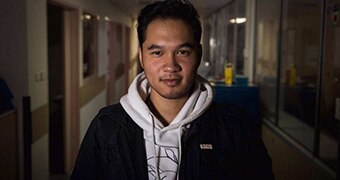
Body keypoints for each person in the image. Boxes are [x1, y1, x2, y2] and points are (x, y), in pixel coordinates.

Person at [71, 0, 274, 179]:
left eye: (183, 51)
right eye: (157, 52)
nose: (170, 66)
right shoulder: (106, 126)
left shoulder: (235, 127)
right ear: (141, 57)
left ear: (199, 55)